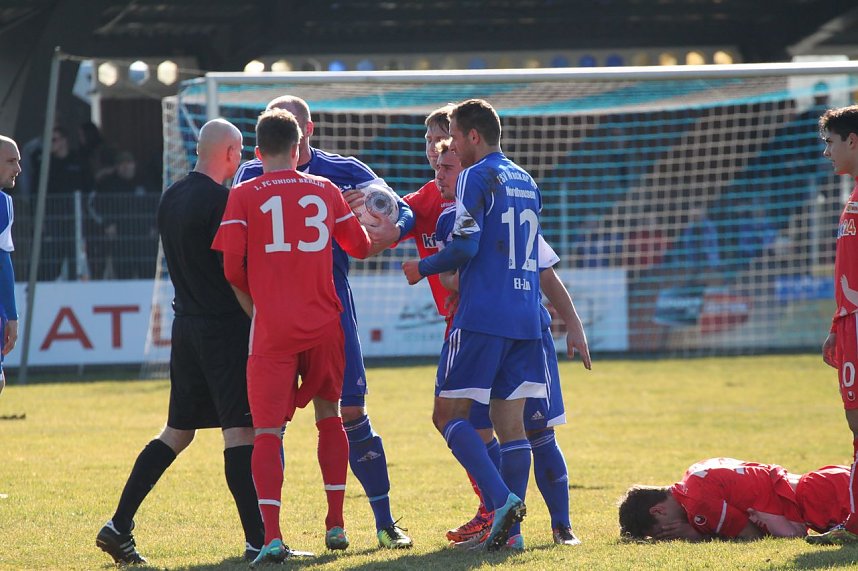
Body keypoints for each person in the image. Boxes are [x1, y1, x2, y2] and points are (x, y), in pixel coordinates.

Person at [233, 95, 415, 549]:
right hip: (294, 314)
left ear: (307, 130)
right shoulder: (253, 178)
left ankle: (382, 521)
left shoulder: (344, 171)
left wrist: (390, 227)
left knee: (346, 412)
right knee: (304, 419)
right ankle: (318, 526)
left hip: (327, 305)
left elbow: (401, 209)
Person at [96, 119, 264, 566]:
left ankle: (118, 526)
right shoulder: (224, 202)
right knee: (240, 432)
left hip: (185, 328)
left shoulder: (171, 195)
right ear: (228, 152)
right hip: (223, 330)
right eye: (240, 149)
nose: (243, 157)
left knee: (177, 432)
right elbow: (235, 272)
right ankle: (258, 543)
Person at [213, 108, 375, 564]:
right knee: (331, 417)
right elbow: (359, 248)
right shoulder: (324, 189)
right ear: (300, 148)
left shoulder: (242, 195)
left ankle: (273, 537)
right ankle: (336, 523)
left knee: (267, 431)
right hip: (324, 324)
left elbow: (230, 269)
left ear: (259, 151)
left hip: (273, 331)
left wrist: (258, 311)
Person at [428, 143, 591, 549]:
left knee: (537, 429)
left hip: (517, 328)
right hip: (504, 328)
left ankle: (559, 525)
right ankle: (510, 528)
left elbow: (543, 273)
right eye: (433, 163)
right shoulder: (470, 206)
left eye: (447, 163)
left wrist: (573, 323)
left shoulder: (488, 203)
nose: (439, 172)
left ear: (464, 160)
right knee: (503, 428)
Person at [401, 98, 546, 551]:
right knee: (510, 426)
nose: (452, 146)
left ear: (474, 137)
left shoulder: (474, 176)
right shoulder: (526, 180)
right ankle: (512, 536)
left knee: (447, 415)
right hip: (526, 316)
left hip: (484, 314)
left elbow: (465, 247)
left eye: (456, 137)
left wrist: (421, 268)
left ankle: (501, 503)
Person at [807, 105, 858, 546]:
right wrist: (836, 324)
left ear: (853, 141)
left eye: (830, 142)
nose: (827, 152)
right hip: (849, 326)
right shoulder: (854, 194)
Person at [618, 457, 851, 541]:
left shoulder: (697, 504)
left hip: (823, 501)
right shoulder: (694, 472)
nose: (671, 535)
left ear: (657, 511)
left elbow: (750, 535)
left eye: (663, 533)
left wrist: (695, 535)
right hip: (827, 480)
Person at [0, 136, 20, 396]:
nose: (18, 168)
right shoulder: (3, 205)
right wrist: (12, 317)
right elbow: (2, 261)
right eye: (11, 161)